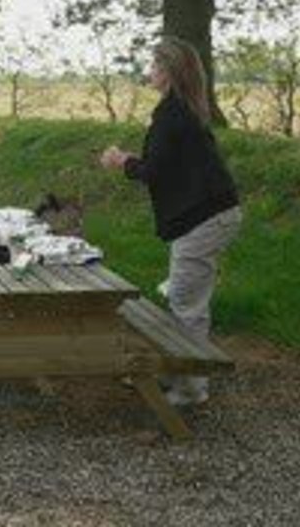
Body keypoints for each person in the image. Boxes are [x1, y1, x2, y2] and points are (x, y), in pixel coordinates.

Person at [100, 36, 242, 407]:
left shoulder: (172, 113)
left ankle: (192, 388)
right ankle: (176, 368)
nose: (150, 71)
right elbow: (167, 163)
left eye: (154, 65)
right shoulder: (179, 110)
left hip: (205, 217)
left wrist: (120, 161)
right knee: (184, 294)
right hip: (209, 213)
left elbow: (154, 171)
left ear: (168, 72)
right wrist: (135, 160)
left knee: (186, 301)